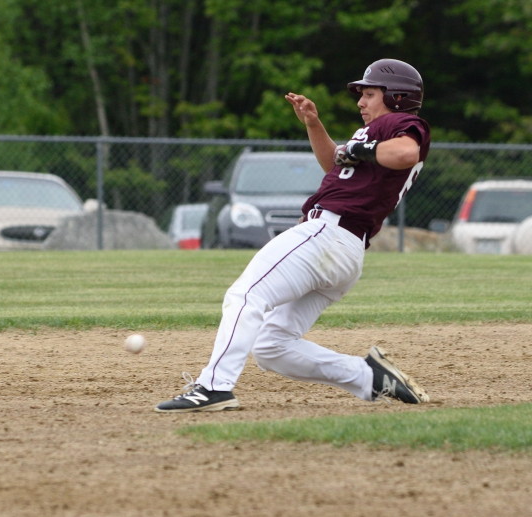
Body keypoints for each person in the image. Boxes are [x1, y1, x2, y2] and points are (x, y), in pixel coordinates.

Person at [155, 58, 431, 412]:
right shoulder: (378, 132)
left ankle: (213, 387)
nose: (361, 101)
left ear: (396, 97)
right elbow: (335, 162)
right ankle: (368, 377)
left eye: (370, 93)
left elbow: (406, 152)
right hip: (344, 250)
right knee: (272, 347)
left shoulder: (400, 123)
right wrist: (314, 124)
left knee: (245, 295)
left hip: (327, 234)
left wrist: (359, 148)